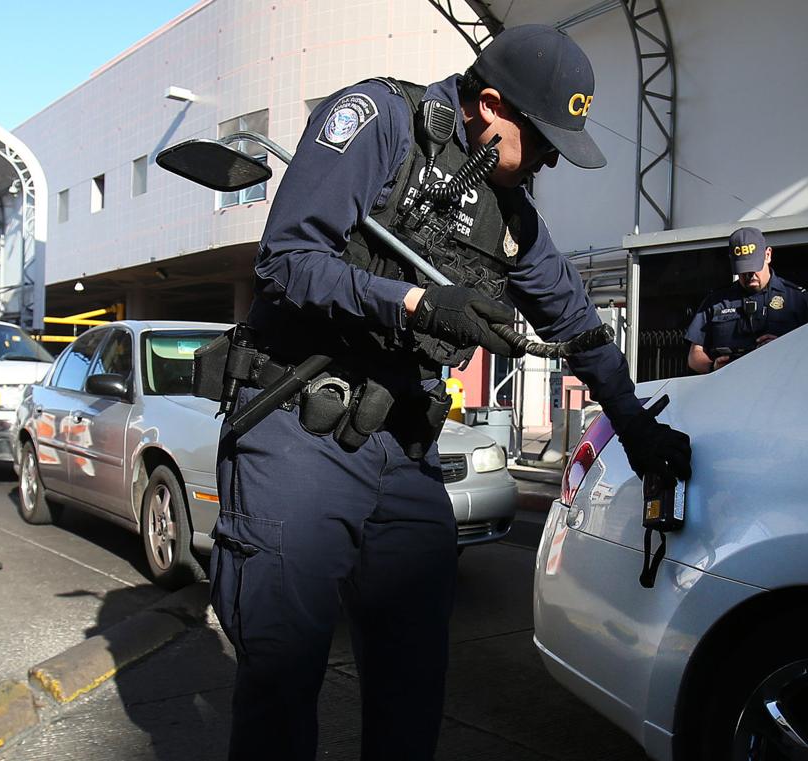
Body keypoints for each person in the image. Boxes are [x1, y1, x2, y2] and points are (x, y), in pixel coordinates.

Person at [207, 24, 692, 761]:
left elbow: (578, 326)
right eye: (546, 139)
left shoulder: (511, 218)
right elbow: (286, 260)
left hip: (402, 447)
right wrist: (415, 302)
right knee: (281, 680)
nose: (552, 159)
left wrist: (635, 425)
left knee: (413, 686)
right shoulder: (378, 124)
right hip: (300, 426)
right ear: (491, 106)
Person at [685, 227, 808, 373]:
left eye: (754, 267)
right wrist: (713, 367)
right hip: (730, 386)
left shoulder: (796, 298)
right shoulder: (716, 301)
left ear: (767, 255)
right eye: (743, 269)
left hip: (781, 385)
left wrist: (783, 347)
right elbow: (695, 355)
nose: (749, 275)